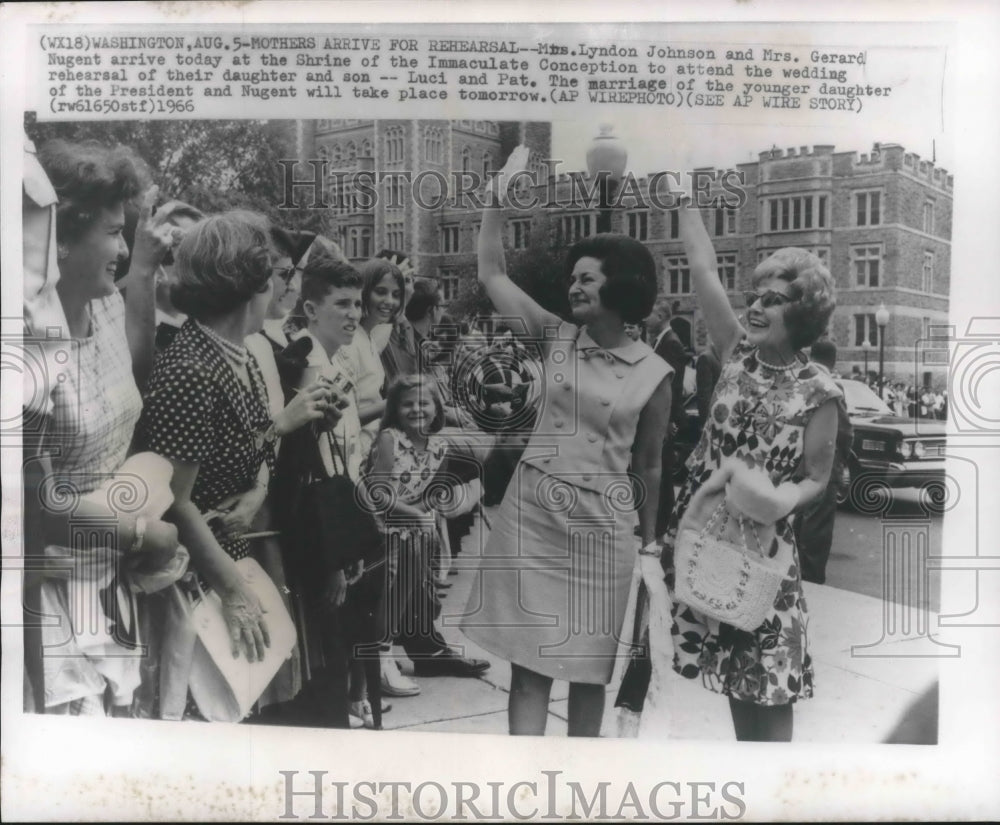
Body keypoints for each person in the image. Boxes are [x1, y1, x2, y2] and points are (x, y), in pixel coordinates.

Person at [461, 146, 672, 737]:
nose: (574, 286)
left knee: (586, 672)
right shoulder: (556, 336)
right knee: (528, 668)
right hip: (533, 516)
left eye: (587, 278)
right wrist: (497, 201)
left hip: (602, 532)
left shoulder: (655, 372)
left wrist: (651, 545)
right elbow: (492, 273)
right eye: (572, 277)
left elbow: (651, 467)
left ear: (621, 287)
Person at [639, 191, 840, 743]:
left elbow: (818, 480)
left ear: (799, 313)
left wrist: (779, 500)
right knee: (733, 672)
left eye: (772, 300)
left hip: (766, 546)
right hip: (707, 536)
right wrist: (682, 197)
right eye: (756, 294)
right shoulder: (732, 354)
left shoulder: (819, 391)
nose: (755, 306)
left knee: (771, 677)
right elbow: (703, 265)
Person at [135, 211, 333, 719]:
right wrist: (234, 589)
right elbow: (174, 501)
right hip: (193, 581)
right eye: (272, 273)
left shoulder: (234, 353)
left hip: (222, 562)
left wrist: (257, 481)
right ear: (251, 284)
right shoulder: (193, 368)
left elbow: (245, 438)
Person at [30, 139, 184, 716]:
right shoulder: (28, 343)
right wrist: (148, 535)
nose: (121, 247)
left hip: (107, 572)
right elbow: (39, 503)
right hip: (50, 587)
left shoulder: (105, 307)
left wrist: (141, 269)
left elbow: (131, 373)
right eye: (112, 233)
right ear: (61, 238)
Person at [365, 374, 490, 687]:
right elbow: (377, 492)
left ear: (437, 408)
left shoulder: (439, 446)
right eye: (407, 404)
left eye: (424, 403)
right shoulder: (389, 439)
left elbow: (432, 491)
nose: (416, 409)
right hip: (383, 528)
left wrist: (427, 519)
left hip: (414, 528)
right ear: (395, 409)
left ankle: (389, 654)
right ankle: (379, 661)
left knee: (407, 596)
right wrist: (413, 516)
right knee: (388, 596)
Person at [793, 340, 853, 585]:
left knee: (799, 523)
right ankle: (812, 581)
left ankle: (797, 576)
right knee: (818, 531)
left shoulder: (800, 377)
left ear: (811, 354)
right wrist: (843, 461)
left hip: (797, 465)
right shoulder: (831, 385)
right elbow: (845, 431)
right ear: (833, 360)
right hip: (823, 467)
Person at [647, 297, 689, 535]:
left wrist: (668, 420)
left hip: (665, 417)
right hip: (661, 416)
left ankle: (661, 525)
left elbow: (672, 385)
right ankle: (657, 522)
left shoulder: (671, 343)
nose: (645, 319)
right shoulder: (662, 341)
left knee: (661, 472)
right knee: (658, 471)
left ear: (661, 317)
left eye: (649, 315)